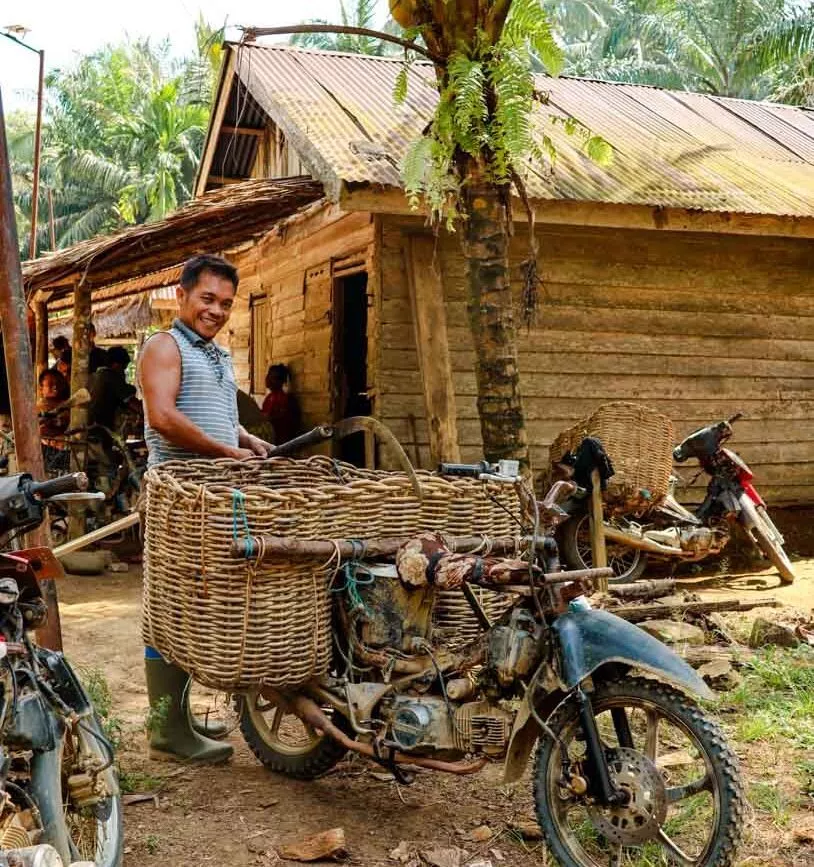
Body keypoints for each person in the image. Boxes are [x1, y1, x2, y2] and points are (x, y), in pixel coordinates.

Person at [137, 253, 273, 764]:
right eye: (207, 299)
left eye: (225, 304)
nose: (216, 311)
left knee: (197, 605)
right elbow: (165, 416)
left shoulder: (214, 354)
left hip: (210, 497)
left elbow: (210, 412)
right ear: (182, 296)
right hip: (180, 495)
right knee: (172, 606)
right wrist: (226, 452)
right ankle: (167, 732)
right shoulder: (163, 346)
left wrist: (245, 438)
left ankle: (180, 716)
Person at [88, 345, 138, 431]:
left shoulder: (95, 376)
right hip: (101, 428)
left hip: (92, 426)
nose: (123, 372)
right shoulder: (111, 377)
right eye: (123, 368)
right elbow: (132, 402)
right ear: (116, 365)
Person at [261, 363, 301, 445]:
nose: (267, 379)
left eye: (273, 377)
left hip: (279, 441)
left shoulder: (285, 399)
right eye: (268, 376)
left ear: (280, 381)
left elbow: (283, 422)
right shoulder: (269, 397)